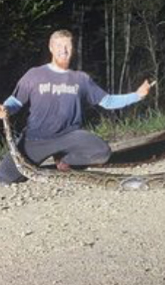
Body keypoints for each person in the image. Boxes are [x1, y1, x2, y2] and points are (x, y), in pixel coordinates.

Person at [0, 29, 153, 185]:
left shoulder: (81, 79)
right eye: (59, 45)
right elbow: (15, 102)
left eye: (68, 45)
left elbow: (107, 101)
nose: (64, 50)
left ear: (73, 49)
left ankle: (64, 160)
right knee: (5, 176)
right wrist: (5, 109)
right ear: (51, 47)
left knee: (101, 151)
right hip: (36, 138)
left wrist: (137, 95)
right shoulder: (34, 75)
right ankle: (37, 160)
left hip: (70, 136)